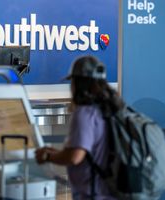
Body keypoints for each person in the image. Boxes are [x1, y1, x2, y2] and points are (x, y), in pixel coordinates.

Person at [35, 55, 124, 200]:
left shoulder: (85, 112)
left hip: (94, 194)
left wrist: (48, 156)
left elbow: (75, 157)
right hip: (110, 192)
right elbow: (91, 152)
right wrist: (57, 153)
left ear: (78, 83)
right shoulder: (110, 107)